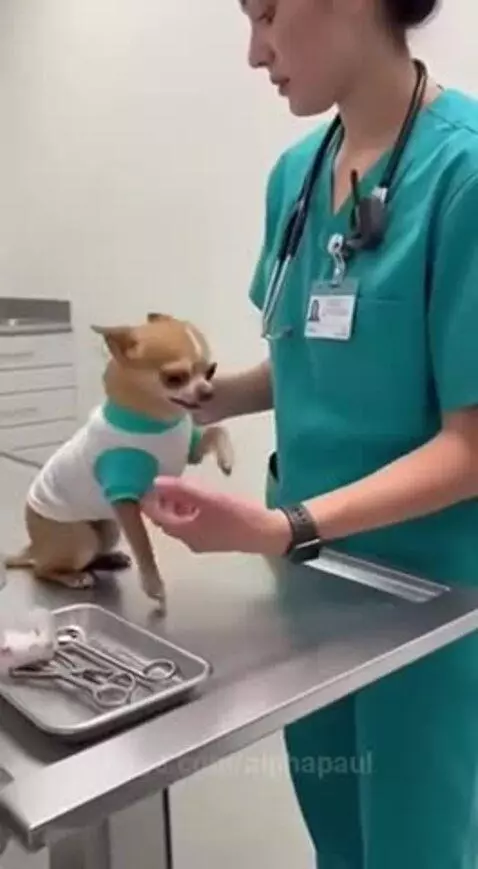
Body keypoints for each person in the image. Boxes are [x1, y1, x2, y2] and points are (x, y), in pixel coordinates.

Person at [142, 0, 478, 866]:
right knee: (337, 836)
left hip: (433, 603)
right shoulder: (296, 176)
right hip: (312, 586)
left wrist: (285, 524)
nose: (256, 53)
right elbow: (309, 360)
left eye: (267, 15)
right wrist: (210, 397)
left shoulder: (465, 175)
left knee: (416, 847)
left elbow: (471, 443)